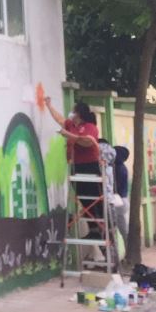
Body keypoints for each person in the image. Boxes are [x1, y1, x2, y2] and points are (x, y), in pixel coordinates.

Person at [46, 99, 103, 237]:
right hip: (75, 166)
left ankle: (101, 228)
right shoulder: (71, 125)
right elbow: (60, 119)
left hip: (90, 166)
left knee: (93, 199)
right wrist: (49, 105)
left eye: (73, 110)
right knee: (83, 199)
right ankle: (94, 230)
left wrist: (69, 135)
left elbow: (87, 142)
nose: (71, 113)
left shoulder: (89, 127)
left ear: (79, 113)